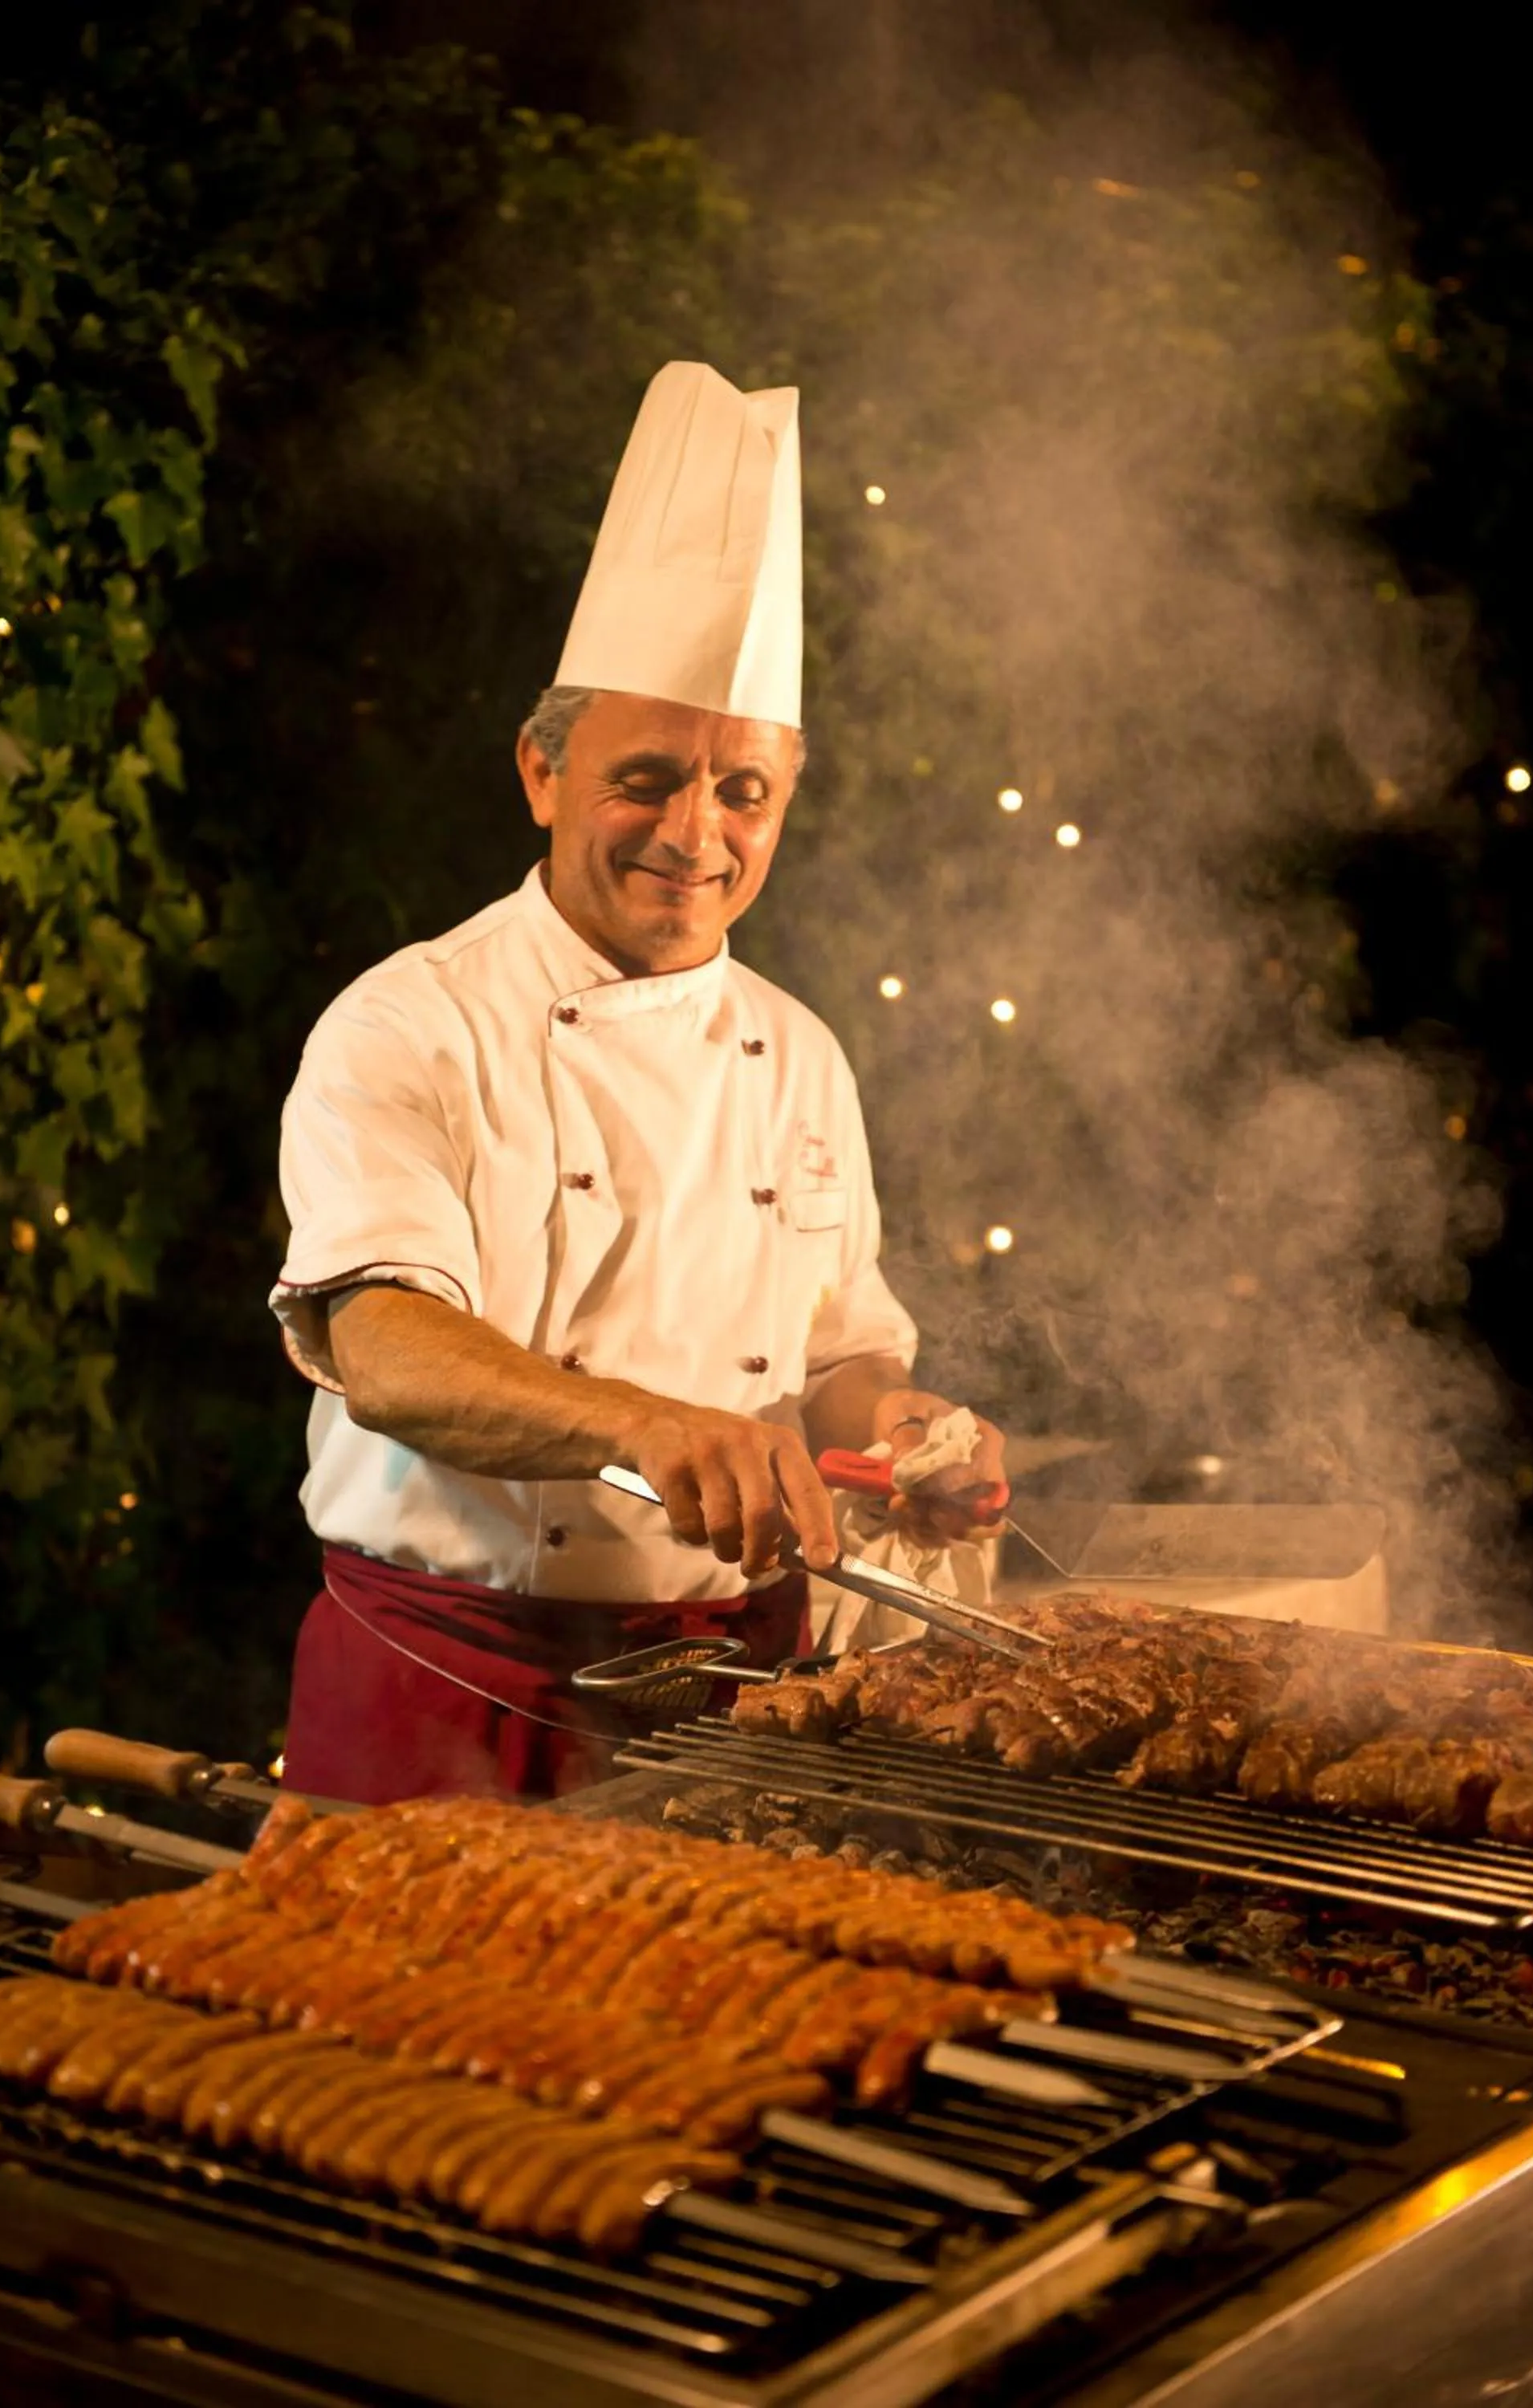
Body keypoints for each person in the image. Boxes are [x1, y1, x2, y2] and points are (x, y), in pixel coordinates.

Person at [270, 361, 1006, 1804]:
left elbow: (834, 1361)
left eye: (744, 792)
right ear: (542, 772)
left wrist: (905, 1431)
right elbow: (384, 1350)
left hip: (737, 1700)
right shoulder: (407, 1024)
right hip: (450, 1684)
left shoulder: (796, 1048)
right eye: (647, 776)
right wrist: (648, 1423)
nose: (695, 831)